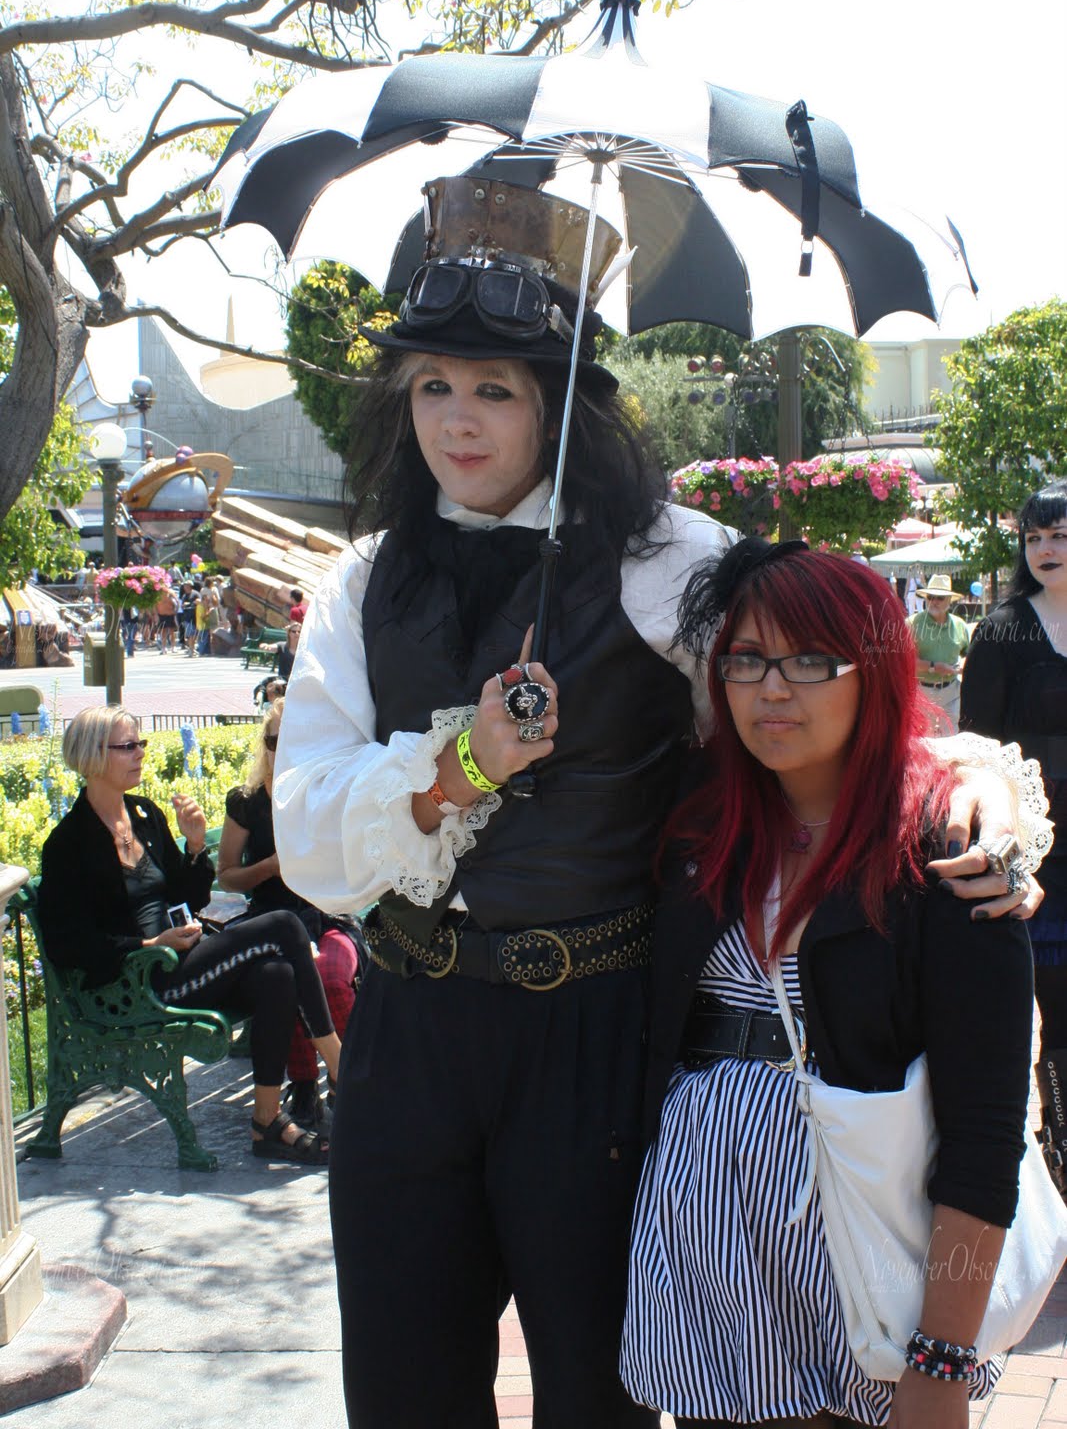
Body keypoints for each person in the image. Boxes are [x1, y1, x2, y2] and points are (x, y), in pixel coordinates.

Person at [271, 175, 1036, 1429]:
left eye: (496, 388)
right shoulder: (361, 583)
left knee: (596, 1394)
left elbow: (835, 683)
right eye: (433, 387)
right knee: (403, 1394)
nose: (457, 423)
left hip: (596, 1033)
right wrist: (464, 765)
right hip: (410, 1036)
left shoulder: (663, 557)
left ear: (557, 400)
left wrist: (972, 798)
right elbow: (306, 827)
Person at [623, 539, 1037, 1429]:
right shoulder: (700, 823)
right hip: (704, 1272)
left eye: (811, 660)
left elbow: (983, 1137)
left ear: (873, 671)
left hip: (865, 1272)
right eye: (746, 660)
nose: (772, 689)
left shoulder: (946, 856)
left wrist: (944, 1357)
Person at [37, 704, 343, 1166]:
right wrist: (149, 946)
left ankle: (267, 1121)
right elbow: (67, 944)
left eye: (141, 743)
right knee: (283, 925)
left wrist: (196, 845)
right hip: (138, 984)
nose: (141, 753)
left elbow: (188, 893)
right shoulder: (68, 844)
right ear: (92, 755)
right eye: (128, 746)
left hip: (181, 961)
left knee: (277, 974)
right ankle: (340, 1065)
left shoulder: (144, 815)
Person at [961, 479, 1067, 1197]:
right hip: (1040, 844)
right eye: (1033, 537)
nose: (1045, 549)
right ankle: (1059, 1152)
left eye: (1058, 534)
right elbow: (977, 749)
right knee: (1053, 1009)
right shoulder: (1000, 631)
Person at [217, 698, 360, 1130]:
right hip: (270, 922)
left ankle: (351, 1075)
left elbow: (352, 865)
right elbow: (226, 876)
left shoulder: (325, 791)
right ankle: (304, 1084)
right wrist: (270, 867)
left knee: (331, 974)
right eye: (274, 740)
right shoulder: (247, 802)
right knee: (290, 971)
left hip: (326, 916)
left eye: (292, 739)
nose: (282, 749)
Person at [907, 574, 971, 733]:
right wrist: (935, 667)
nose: (934, 601)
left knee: (951, 740)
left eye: (940, 597)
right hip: (922, 693)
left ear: (949, 601)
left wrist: (965, 665)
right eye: (930, 597)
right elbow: (906, 663)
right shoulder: (912, 624)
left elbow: (968, 655)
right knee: (926, 742)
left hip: (952, 693)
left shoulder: (960, 625)